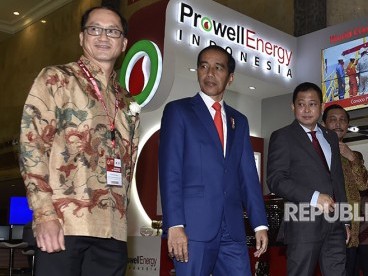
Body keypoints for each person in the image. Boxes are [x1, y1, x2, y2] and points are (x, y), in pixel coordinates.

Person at [19, 6, 139, 276]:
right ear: (82, 38)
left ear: (124, 43)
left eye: (113, 31)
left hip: (113, 232)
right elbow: (32, 147)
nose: (103, 36)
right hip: (65, 226)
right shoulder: (57, 78)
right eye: (94, 29)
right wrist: (44, 215)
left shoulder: (127, 100)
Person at [159, 45, 268, 275]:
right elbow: (170, 172)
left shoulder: (240, 121)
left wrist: (260, 224)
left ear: (230, 78)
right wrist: (175, 225)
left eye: (218, 68)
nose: (209, 73)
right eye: (204, 66)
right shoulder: (178, 111)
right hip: (192, 229)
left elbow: (248, 176)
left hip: (233, 230)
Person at [267, 82, 349, 276]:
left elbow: (337, 181)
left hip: (335, 223)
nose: (306, 109)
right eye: (301, 104)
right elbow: (276, 179)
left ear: (321, 108)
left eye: (312, 104)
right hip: (302, 223)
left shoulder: (330, 137)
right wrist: (314, 197)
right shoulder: (282, 136)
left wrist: (345, 220)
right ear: (293, 107)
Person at [322, 104, 368, 276]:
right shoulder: (316, 152)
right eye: (333, 119)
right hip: (323, 227)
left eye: (342, 120)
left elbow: (364, 185)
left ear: (347, 127)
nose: (338, 124)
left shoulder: (354, 155)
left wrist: (351, 157)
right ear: (323, 124)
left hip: (351, 230)